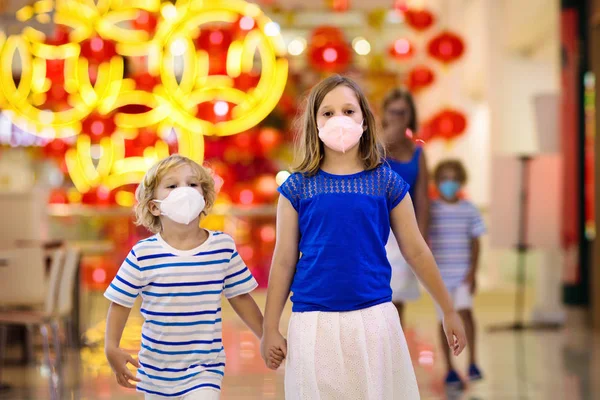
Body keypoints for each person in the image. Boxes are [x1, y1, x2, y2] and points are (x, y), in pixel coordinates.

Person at [260, 75, 467, 399]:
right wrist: (269, 328)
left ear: (365, 121)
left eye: (348, 110)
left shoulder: (387, 182)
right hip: (313, 323)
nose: (338, 119)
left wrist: (448, 309)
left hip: (374, 319)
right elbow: (284, 260)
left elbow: (416, 251)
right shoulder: (297, 188)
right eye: (327, 113)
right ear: (314, 123)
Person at [103, 155, 264, 399]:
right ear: (154, 206)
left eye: (192, 184)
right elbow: (120, 303)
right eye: (172, 185)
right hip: (155, 373)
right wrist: (111, 347)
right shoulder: (143, 253)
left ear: (204, 197)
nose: (184, 191)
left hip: (205, 369)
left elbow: (240, 297)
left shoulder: (222, 246)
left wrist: (266, 335)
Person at [429, 160, 485, 387]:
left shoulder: (469, 209)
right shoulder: (430, 210)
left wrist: (473, 272)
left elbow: (476, 242)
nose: (448, 184)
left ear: (461, 181)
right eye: (444, 179)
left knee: (465, 312)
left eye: (453, 179)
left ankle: (472, 362)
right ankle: (450, 368)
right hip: (440, 277)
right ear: (437, 182)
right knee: (444, 320)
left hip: (462, 274)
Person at [380, 88, 429, 326]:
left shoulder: (418, 152)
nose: (398, 117)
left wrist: (422, 237)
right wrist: (386, 140)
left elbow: (422, 198)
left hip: (403, 232)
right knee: (377, 295)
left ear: (410, 115)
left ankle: (393, 352)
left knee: (397, 296)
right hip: (377, 229)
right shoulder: (376, 148)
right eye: (393, 112)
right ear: (385, 114)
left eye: (403, 112)